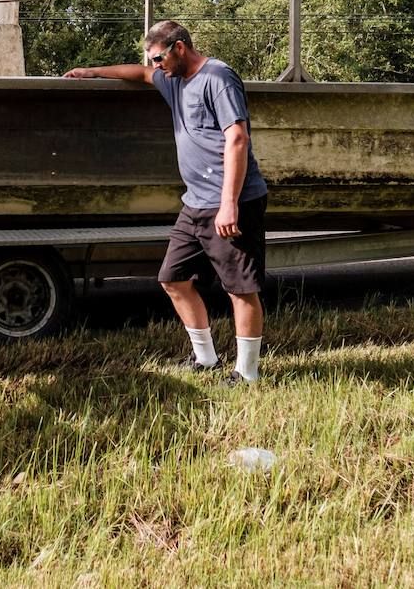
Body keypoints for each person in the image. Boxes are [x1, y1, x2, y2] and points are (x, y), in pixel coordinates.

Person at [65, 20, 268, 384]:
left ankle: (248, 373)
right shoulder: (172, 79)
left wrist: (229, 203)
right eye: (152, 58)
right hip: (195, 203)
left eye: (159, 58)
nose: (155, 65)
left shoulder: (218, 78)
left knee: (240, 288)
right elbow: (141, 74)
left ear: (179, 48)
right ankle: (206, 359)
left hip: (231, 200)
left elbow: (237, 138)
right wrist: (92, 71)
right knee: (172, 278)